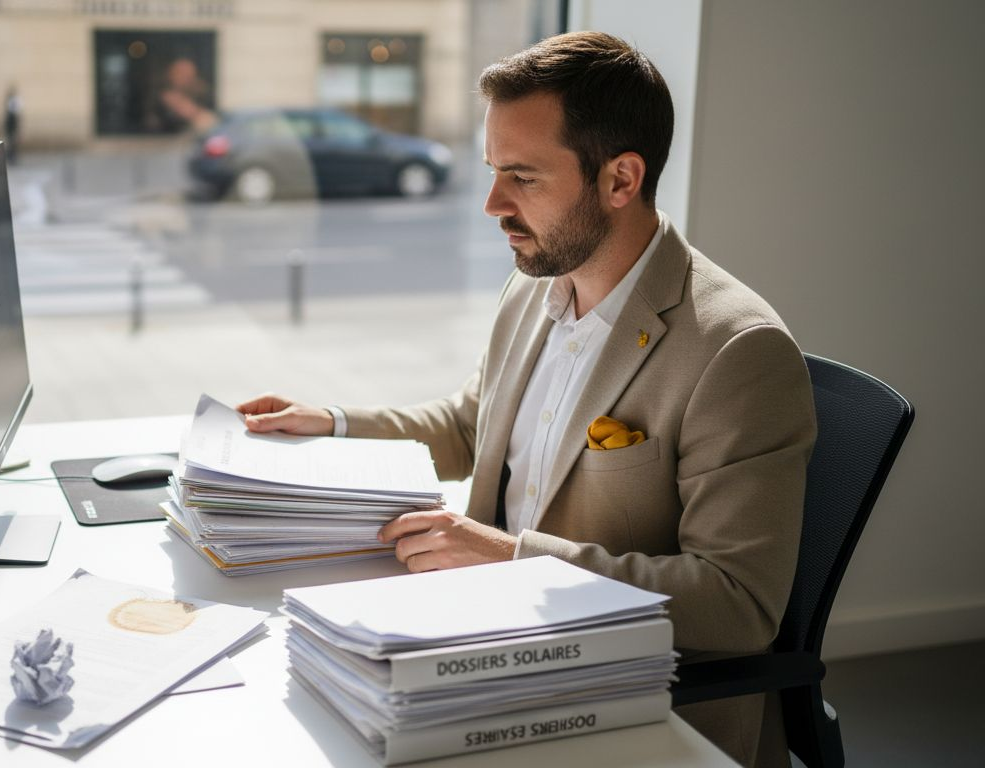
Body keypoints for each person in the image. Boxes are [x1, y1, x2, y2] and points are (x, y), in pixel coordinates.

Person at [237, 31, 815, 768]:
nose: (491, 203)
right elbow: (471, 424)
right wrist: (333, 423)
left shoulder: (737, 352)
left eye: (523, 177)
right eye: (492, 171)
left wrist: (511, 558)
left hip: (627, 700)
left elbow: (738, 605)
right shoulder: (537, 284)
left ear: (620, 180)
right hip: (492, 649)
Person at [4, 86, 22, 165]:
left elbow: (17, 113)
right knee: (10, 141)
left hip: (13, 122)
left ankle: (13, 157)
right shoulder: (10, 101)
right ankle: (11, 157)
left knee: (13, 141)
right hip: (10, 123)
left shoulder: (15, 100)